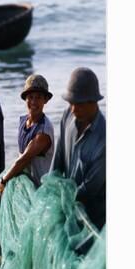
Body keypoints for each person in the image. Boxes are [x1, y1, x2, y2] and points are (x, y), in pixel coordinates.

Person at [50, 67, 106, 231]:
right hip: (66, 206)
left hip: (91, 220)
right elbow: (58, 159)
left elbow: (89, 190)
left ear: (93, 102)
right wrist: (51, 189)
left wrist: (63, 201)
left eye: (79, 104)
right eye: (71, 103)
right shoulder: (68, 115)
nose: (74, 109)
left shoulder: (104, 140)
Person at [0, 75, 54, 195]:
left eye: (38, 97)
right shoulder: (23, 121)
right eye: (30, 97)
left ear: (45, 100)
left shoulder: (44, 130)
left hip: (40, 189)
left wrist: (4, 180)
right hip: (25, 184)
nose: (33, 102)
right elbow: (20, 155)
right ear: (25, 99)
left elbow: (24, 159)